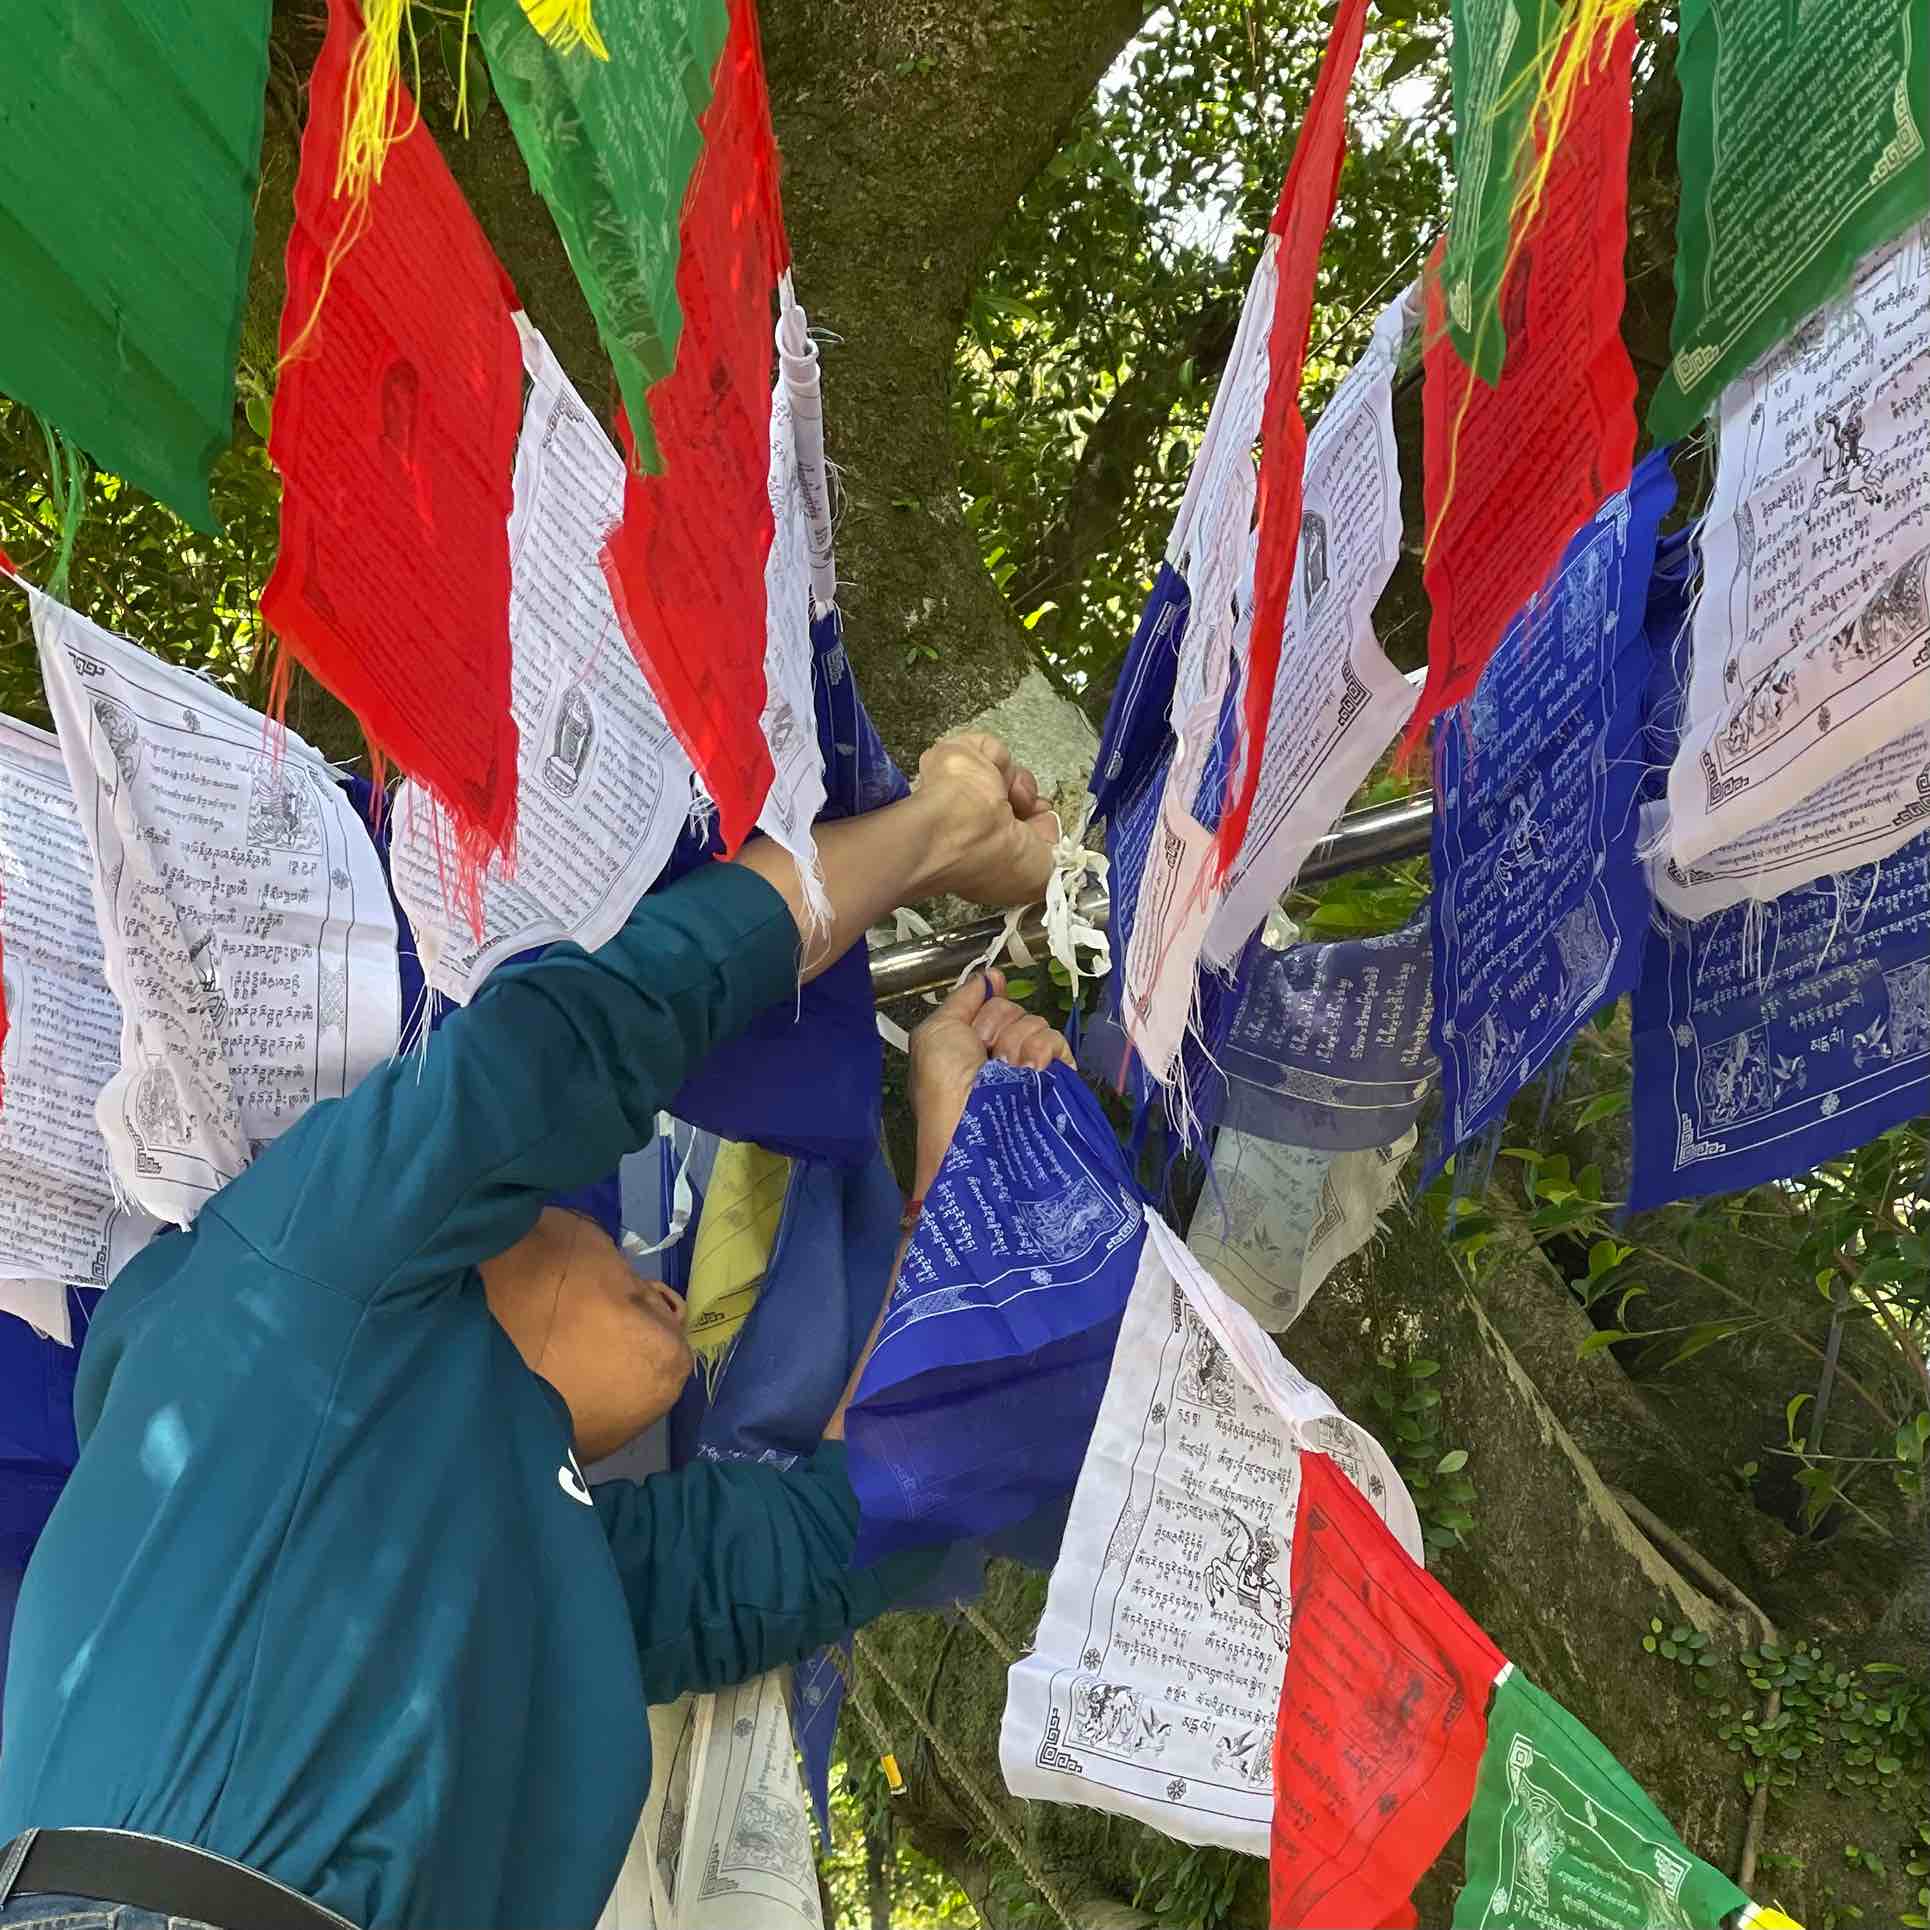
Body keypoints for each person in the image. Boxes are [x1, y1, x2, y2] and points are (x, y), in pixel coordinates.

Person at [0, 734, 1073, 1930]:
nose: (662, 1288)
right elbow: (566, 1047)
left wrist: (951, 1171)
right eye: (606, 1227)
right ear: (470, 1216)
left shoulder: (519, 1562)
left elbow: (830, 1529)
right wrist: (929, 834)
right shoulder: (284, 1294)